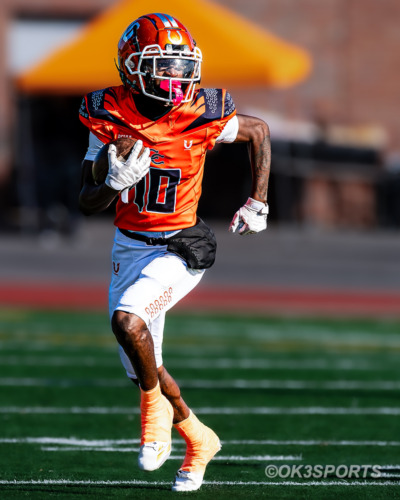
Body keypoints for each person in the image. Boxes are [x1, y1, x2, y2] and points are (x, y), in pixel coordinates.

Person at [78, 12, 270, 492]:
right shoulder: (109, 116)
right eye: (163, 65)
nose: (177, 78)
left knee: (128, 321)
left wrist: (259, 199)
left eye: (183, 66)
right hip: (130, 248)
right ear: (131, 67)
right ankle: (199, 437)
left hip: (181, 247)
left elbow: (259, 131)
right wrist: (110, 180)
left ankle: (153, 420)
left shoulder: (203, 110)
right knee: (144, 359)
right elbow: (86, 202)